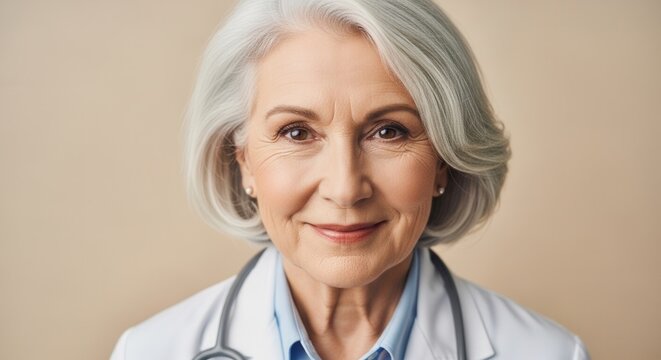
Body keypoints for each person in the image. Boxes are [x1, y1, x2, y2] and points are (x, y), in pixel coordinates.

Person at [110, 0, 590, 359]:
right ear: (243, 161)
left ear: (444, 159)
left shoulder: (550, 353)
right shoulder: (148, 351)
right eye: (296, 132)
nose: (345, 187)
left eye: (389, 131)